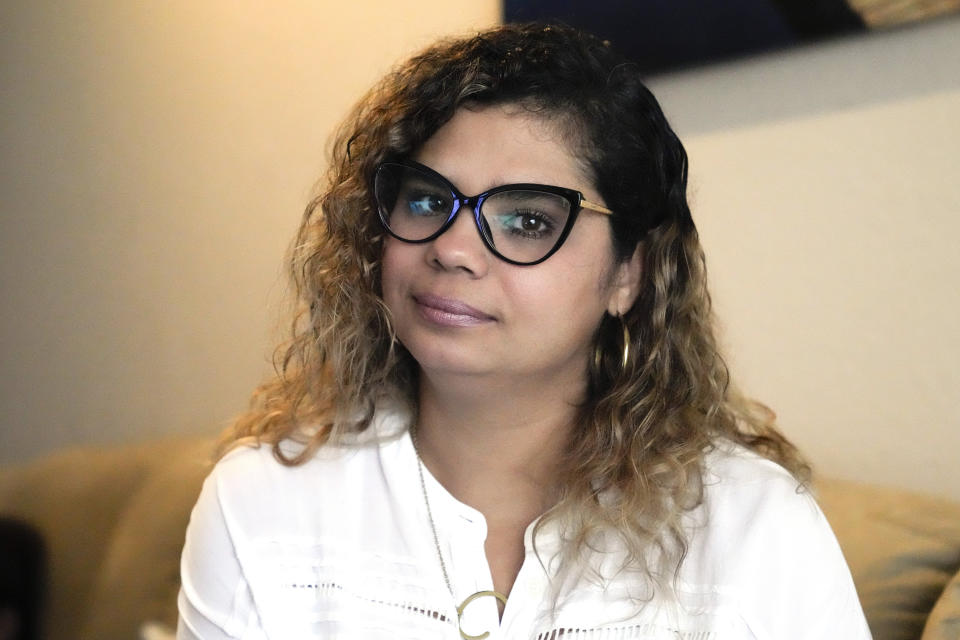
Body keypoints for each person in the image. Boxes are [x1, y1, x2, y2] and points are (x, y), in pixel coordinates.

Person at [177, 23, 872, 640]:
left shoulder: (756, 528)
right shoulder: (263, 501)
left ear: (629, 274)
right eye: (426, 199)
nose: (451, 248)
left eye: (527, 220)